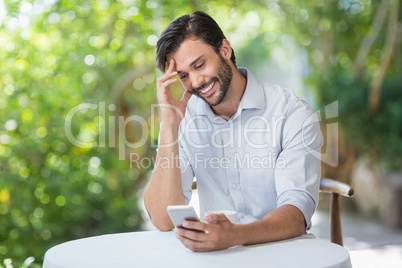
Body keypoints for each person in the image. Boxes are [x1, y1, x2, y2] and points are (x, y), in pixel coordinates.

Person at [143, 11, 323, 252]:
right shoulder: (185, 119)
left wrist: (235, 235)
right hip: (217, 257)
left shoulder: (291, 113)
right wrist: (169, 126)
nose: (196, 82)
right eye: (184, 76)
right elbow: (162, 220)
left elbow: (298, 212)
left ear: (225, 50)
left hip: (285, 253)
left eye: (200, 65)